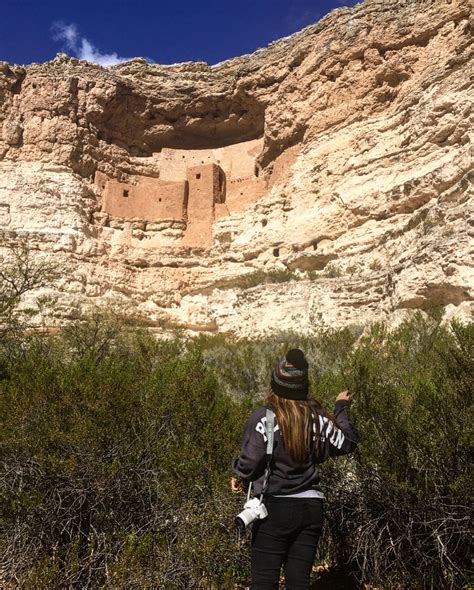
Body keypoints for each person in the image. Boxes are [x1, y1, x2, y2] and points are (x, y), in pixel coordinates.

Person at [232, 348, 358, 590]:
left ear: (275, 384)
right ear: (303, 386)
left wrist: (238, 474)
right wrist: (341, 408)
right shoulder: (318, 418)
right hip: (311, 509)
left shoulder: (265, 418)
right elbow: (347, 442)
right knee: (299, 583)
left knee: (264, 583)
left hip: (273, 510)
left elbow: (250, 460)